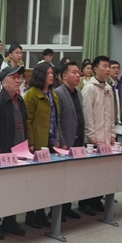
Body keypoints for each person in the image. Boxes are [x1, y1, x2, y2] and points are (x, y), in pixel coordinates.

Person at [0, 65, 28, 240]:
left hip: (20, 153)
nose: (18, 80)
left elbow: (24, 126)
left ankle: (10, 221)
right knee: (0, 191)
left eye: (20, 77)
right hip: (3, 154)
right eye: (14, 77)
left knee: (15, 190)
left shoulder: (21, 101)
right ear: (3, 82)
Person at [23, 62, 65, 229]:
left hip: (51, 142)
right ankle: (30, 214)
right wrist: (31, 143)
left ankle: (41, 212)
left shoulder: (52, 94)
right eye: (48, 73)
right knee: (35, 181)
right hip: (37, 143)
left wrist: (57, 139)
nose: (51, 75)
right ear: (40, 75)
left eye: (52, 73)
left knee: (47, 181)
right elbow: (27, 120)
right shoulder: (31, 94)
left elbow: (56, 120)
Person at [79, 55, 115, 215]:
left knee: (102, 173)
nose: (108, 69)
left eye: (108, 66)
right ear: (95, 69)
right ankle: (84, 202)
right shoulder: (89, 88)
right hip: (92, 139)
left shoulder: (108, 88)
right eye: (104, 66)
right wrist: (91, 136)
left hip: (106, 138)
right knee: (89, 173)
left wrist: (112, 133)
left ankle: (96, 200)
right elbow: (87, 115)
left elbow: (111, 114)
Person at [54, 61, 84, 220]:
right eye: (74, 72)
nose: (78, 75)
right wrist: (62, 141)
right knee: (62, 179)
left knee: (73, 178)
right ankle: (57, 210)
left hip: (78, 141)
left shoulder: (78, 93)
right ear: (64, 76)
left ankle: (67, 207)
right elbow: (57, 121)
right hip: (65, 142)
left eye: (78, 72)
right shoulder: (58, 93)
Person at [108, 60, 122, 130]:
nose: (116, 70)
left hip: (121, 122)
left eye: (118, 68)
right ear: (108, 69)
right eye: (113, 68)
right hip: (109, 122)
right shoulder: (105, 84)